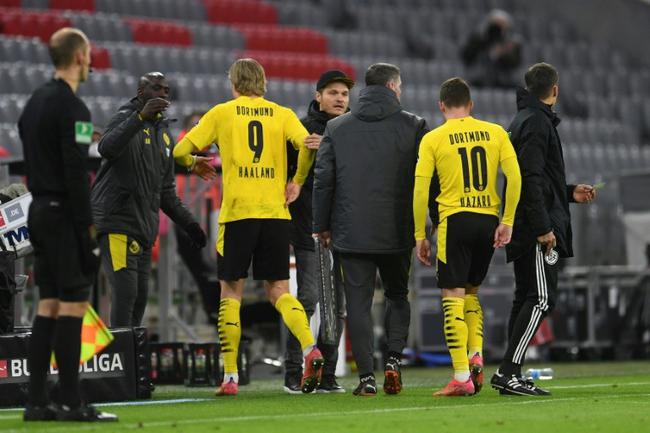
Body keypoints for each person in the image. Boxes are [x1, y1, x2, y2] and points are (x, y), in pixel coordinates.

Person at [173, 58, 323, 396]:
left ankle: (230, 377)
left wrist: (194, 163)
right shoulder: (282, 114)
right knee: (279, 292)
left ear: (234, 83)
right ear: (263, 82)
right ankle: (310, 347)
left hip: (238, 215)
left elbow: (179, 150)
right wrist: (297, 181)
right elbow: (307, 145)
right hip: (275, 214)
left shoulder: (221, 113)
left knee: (230, 294)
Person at [19, 27, 117, 422]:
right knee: (74, 305)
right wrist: (88, 234)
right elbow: (77, 174)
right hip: (63, 215)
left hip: (39, 210)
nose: (90, 61)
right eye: (88, 54)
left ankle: (37, 402)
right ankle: (72, 401)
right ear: (79, 57)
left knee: (48, 305)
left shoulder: (33, 103)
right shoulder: (74, 109)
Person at [313, 63, 428, 396]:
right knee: (397, 296)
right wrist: (427, 225)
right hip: (397, 230)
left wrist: (322, 225)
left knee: (358, 304)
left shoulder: (336, 127)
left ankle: (366, 378)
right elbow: (426, 180)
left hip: (351, 232)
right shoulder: (414, 126)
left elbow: (324, 181)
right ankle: (393, 360)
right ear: (392, 87)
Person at [490, 63, 596, 396]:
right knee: (541, 298)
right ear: (555, 90)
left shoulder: (524, 119)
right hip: (535, 227)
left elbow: (536, 179)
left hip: (526, 222)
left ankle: (511, 372)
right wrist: (543, 227)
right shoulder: (537, 122)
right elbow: (529, 180)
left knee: (526, 297)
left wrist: (569, 192)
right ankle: (508, 371)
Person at [413, 77, 522, 397]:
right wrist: (507, 221)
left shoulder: (433, 139)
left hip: (454, 221)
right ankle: (476, 354)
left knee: (452, 296)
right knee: (472, 292)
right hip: (488, 219)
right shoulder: (496, 132)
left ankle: (461, 374)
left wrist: (420, 234)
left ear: (441, 106)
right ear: (471, 105)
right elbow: (515, 177)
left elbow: (420, 191)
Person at [91, 73, 211, 327]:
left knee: (139, 300)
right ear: (140, 91)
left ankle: (130, 351)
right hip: (117, 223)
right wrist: (139, 117)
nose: (162, 93)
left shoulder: (164, 135)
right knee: (125, 295)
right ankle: (121, 352)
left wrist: (190, 225)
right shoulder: (124, 117)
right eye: (156, 88)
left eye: (166, 90)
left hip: (144, 229)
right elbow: (106, 148)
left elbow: (166, 191)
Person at [283, 70, 354, 394]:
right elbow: (289, 178)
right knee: (309, 299)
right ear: (318, 96)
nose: (340, 98)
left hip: (344, 228)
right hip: (308, 227)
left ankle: (326, 376)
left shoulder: (353, 130)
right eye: (333, 93)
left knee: (336, 306)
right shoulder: (299, 130)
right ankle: (293, 372)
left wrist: (328, 145)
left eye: (344, 94)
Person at [460, 9, 522, 88]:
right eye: (495, 24)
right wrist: (481, 43)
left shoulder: (512, 43)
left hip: (504, 81)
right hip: (479, 79)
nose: (497, 29)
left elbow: (515, 64)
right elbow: (466, 56)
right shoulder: (478, 39)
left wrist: (503, 53)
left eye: (501, 25)